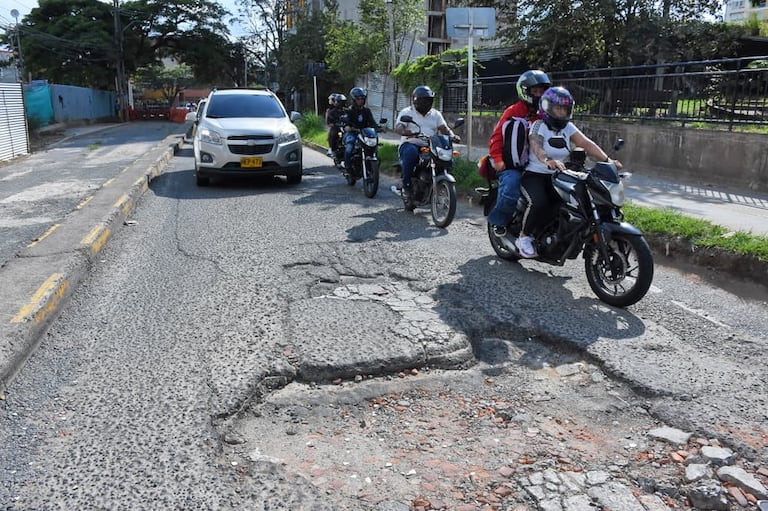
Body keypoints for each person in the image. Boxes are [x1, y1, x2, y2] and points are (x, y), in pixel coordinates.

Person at [516, 86, 622, 258]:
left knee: (570, 205)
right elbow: (536, 145)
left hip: (558, 174)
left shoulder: (568, 128)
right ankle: (524, 237)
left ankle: (555, 238)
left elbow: (587, 144)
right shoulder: (538, 125)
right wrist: (546, 160)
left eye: (565, 109)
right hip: (535, 175)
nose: (562, 112)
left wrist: (608, 161)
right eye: (558, 108)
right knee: (539, 202)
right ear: (547, 108)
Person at [487, 70, 552, 241]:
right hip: (513, 163)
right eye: (535, 91)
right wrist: (498, 160)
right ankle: (499, 222)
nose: (539, 95)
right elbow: (496, 138)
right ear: (525, 91)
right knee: (511, 186)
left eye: (542, 91)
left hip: (539, 164)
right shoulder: (514, 111)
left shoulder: (547, 113)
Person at [394, 85, 460, 197]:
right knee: (411, 154)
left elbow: (443, 128)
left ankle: (440, 181)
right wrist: (405, 131)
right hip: (411, 143)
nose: (427, 103)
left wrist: (452, 136)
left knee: (446, 158)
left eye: (429, 100)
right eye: (425, 100)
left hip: (430, 145)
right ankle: (407, 185)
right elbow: (399, 126)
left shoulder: (435, 114)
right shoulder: (407, 112)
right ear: (417, 100)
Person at [343, 87, 378, 170]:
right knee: (349, 147)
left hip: (365, 133)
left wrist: (378, 128)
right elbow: (346, 121)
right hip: (353, 133)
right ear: (354, 100)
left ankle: (372, 166)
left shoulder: (367, 111)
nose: (360, 100)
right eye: (358, 99)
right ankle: (347, 166)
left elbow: (372, 122)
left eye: (362, 98)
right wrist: (347, 127)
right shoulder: (349, 110)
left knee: (374, 145)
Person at [325, 93, 347, 158]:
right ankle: (333, 149)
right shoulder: (332, 111)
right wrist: (334, 124)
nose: (341, 104)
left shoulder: (347, 111)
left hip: (346, 128)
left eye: (343, 102)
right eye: (340, 102)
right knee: (333, 134)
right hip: (337, 128)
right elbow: (329, 121)